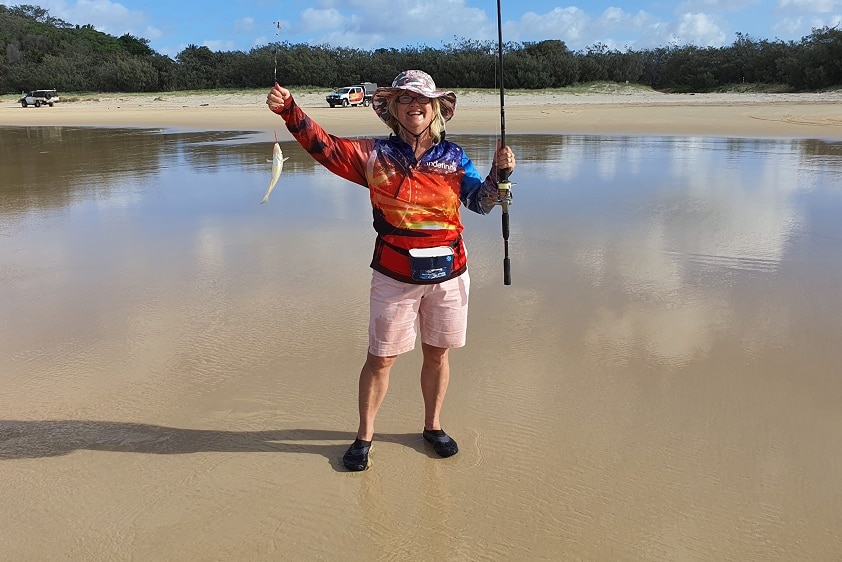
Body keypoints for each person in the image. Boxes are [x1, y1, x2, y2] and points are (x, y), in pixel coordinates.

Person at [266, 70, 516, 471]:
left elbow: (482, 203)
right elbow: (325, 148)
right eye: (404, 99)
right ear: (392, 111)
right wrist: (291, 111)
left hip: (450, 273)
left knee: (438, 354)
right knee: (381, 358)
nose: (414, 105)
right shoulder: (372, 154)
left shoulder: (455, 158)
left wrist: (498, 176)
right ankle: (364, 436)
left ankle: (432, 427)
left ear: (435, 110)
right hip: (393, 275)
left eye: (423, 100)